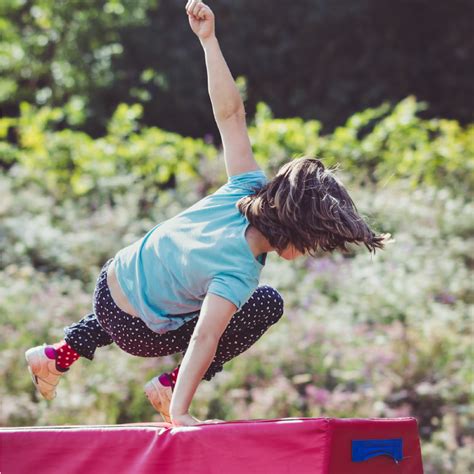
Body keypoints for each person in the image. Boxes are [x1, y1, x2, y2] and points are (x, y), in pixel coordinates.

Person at [25, 0, 390, 428]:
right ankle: (168, 386)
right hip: (136, 331)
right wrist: (179, 408)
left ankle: (56, 356)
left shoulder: (244, 186)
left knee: (170, 282)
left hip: (111, 282)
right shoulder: (237, 274)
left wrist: (208, 40)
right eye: (314, 244)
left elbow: (230, 115)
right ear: (296, 231)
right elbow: (204, 337)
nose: (313, 254)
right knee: (263, 305)